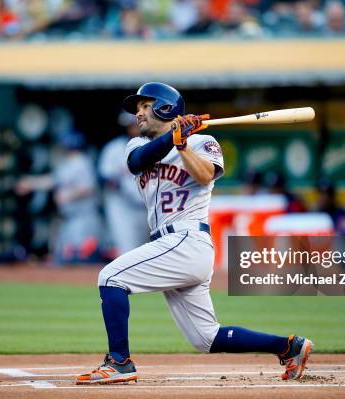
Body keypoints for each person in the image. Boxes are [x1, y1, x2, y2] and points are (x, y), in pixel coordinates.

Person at [76, 82, 313, 385]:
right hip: (170, 244)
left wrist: (183, 145)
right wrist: (173, 138)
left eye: (144, 106)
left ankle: (119, 362)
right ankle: (288, 346)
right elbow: (137, 164)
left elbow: (204, 175)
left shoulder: (204, 142)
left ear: (164, 107)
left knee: (111, 277)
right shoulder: (136, 146)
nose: (138, 113)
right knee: (206, 338)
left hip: (187, 240)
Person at [16, 133, 103, 264]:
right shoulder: (67, 165)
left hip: (83, 218)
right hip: (68, 219)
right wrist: (31, 182)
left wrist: (69, 195)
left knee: (80, 258)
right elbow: (52, 181)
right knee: (63, 259)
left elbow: (89, 188)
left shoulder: (83, 163)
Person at [98, 112, 147, 256]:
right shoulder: (114, 148)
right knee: (126, 247)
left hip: (146, 205)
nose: (134, 128)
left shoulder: (151, 145)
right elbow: (104, 176)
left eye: (136, 124)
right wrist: (121, 188)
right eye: (131, 125)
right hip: (121, 205)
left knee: (145, 248)